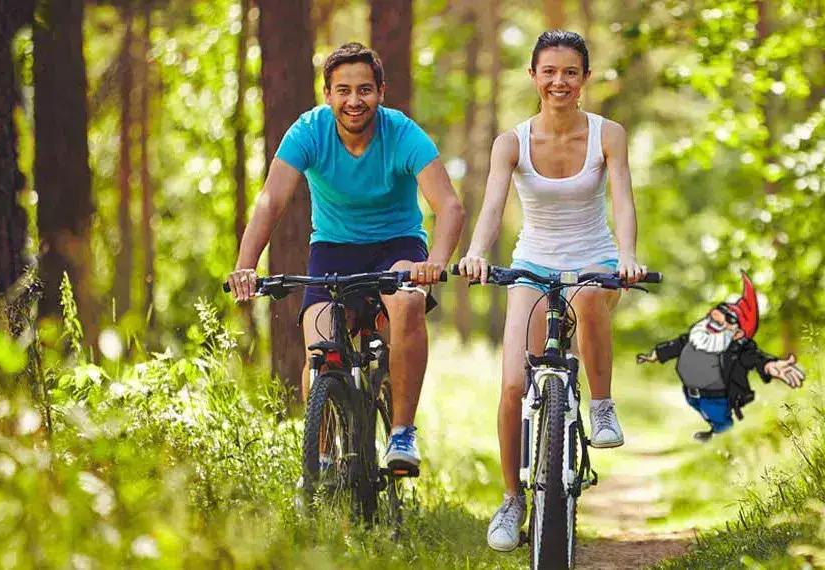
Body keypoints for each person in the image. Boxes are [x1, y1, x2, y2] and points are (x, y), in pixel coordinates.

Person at [226, 42, 464, 471]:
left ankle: (402, 433)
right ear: (327, 93)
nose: (354, 100)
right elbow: (270, 202)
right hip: (333, 250)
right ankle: (316, 466)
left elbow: (449, 206)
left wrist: (437, 262)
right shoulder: (308, 131)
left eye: (365, 90)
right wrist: (246, 264)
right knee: (318, 350)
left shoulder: (403, 133)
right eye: (343, 90)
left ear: (381, 91)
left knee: (407, 303)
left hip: (398, 245)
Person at [455, 30, 646, 552]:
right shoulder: (510, 142)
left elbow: (624, 198)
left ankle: (602, 405)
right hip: (533, 265)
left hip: (596, 260)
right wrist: (475, 250)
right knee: (514, 384)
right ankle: (512, 499)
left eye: (570, 72)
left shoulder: (609, 134)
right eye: (549, 71)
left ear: (585, 78)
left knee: (586, 293)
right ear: (533, 76)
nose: (559, 81)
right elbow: (493, 205)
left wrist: (626, 256)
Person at [637, 273, 805, 441]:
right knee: (704, 411)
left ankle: (724, 440)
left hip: (715, 397)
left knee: (721, 422)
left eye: (729, 318)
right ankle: (716, 430)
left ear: (738, 333)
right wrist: (655, 355)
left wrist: (769, 365)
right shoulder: (697, 335)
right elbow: (677, 345)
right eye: (720, 310)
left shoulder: (737, 348)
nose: (718, 315)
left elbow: (755, 357)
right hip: (690, 393)